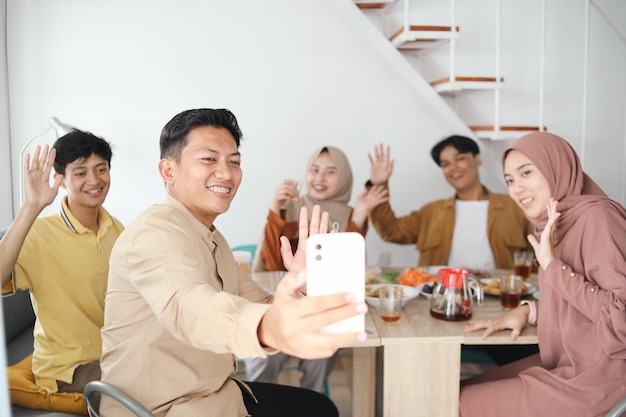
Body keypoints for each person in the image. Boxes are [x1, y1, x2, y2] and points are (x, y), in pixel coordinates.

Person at [100, 108, 368, 417]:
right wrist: (270, 327)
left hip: (216, 395)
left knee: (317, 407)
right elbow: (190, 308)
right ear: (168, 170)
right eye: (208, 159)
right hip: (163, 408)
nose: (226, 173)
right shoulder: (153, 234)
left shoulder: (211, 237)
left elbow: (258, 301)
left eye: (234, 161)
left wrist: (301, 285)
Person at [460, 132, 626, 416]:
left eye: (526, 172)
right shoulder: (558, 223)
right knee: (455, 390)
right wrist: (530, 311)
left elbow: (620, 318)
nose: (516, 188)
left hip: (600, 378)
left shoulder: (597, 217)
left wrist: (551, 265)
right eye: (510, 180)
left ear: (555, 168)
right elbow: (579, 303)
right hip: (567, 363)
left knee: (457, 403)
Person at [0, 130, 123, 414]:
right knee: (152, 388)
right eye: (80, 173)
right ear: (61, 180)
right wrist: (32, 206)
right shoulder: (39, 235)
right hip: (68, 368)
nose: (94, 180)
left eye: (101, 169)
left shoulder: (116, 229)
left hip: (114, 354)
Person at [247, 145, 373, 393]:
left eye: (330, 171)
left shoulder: (351, 214)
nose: (319, 178)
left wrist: (359, 218)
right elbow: (271, 264)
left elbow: (348, 271)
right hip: (277, 302)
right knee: (262, 358)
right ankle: (256, 404)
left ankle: (311, 402)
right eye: (314, 170)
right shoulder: (290, 207)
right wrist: (275, 209)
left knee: (321, 351)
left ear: (344, 177)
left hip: (319, 308)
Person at [367, 136, 533, 271]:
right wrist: (379, 184)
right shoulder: (432, 211)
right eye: (445, 164)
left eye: (460, 159)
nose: (453, 167)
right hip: (444, 299)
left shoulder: (515, 207)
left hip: (500, 299)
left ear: (477, 160)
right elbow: (391, 231)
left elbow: (539, 258)